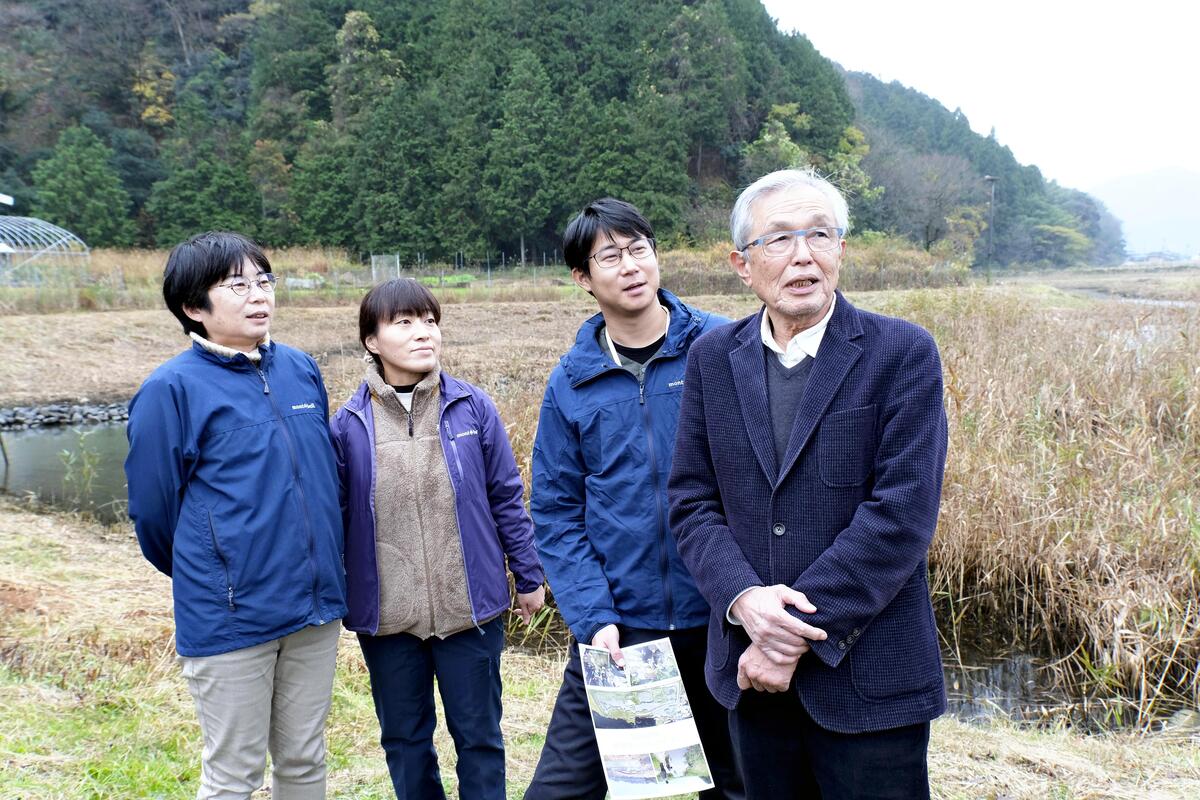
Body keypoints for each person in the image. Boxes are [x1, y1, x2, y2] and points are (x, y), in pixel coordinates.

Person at [668, 168, 949, 799]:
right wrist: (744, 601)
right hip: (749, 676)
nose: (803, 255)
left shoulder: (901, 352)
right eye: (779, 239)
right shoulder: (713, 359)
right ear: (742, 265)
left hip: (868, 677)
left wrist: (786, 634)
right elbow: (692, 503)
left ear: (841, 250)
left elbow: (900, 516)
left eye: (819, 234)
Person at [524, 199, 742, 800]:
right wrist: (594, 619)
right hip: (624, 630)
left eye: (639, 248)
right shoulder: (572, 380)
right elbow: (556, 512)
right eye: (610, 256)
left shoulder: (723, 347)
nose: (630, 266)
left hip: (724, 620)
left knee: (737, 786)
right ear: (582, 278)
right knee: (562, 790)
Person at [125, 231, 347, 799]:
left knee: (303, 759)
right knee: (234, 774)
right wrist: (215, 574)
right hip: (230, 619)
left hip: (314, 607)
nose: (259, 295)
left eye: (264, 281)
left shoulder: (299, 369)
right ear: (193, 307)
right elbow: (154, 516)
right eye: (237, 285)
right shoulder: (170, 389)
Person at [328, 278, 545, 800]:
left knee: (479, 738)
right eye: (404, 322)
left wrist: (529, 576)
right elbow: (332, 519)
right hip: (388, 617)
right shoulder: (347, 425)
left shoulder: (472, 408)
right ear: (372, 342)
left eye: (430, 320)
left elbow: (505, 498)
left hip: (469, 608)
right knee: (404, 739)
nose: (424, 333)